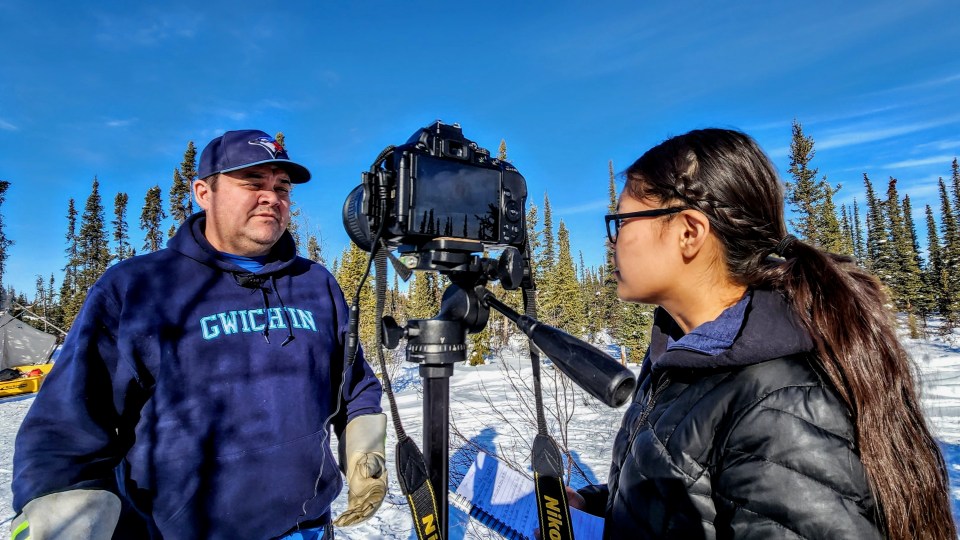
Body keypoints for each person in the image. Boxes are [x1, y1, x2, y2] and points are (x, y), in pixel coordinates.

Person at [570, 128, 955, 539]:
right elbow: (699, 486)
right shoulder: (686, 357)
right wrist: (593, 507)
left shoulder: (780, 403)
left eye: (622, 221)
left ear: (688, 233)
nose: (612, 242)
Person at [11, 130, 387, 539]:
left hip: (307, 528)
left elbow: (353, 385)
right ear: (203, 192)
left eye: (281, 187)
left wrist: (365, 448)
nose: (272, 197)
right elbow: (70, 417)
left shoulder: (316, 283)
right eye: (253, 183)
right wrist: (60, 500)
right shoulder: (139, 287)